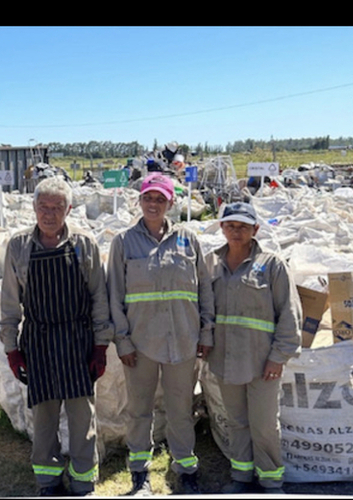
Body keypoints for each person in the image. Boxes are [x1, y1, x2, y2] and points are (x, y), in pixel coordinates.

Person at [0, 176, 113, 497]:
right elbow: (9, 304)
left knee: (81, 421)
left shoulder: (84, 245)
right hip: (39, 344)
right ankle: (49, 482)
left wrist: (101, 346)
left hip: (78, 343)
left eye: (57, 207)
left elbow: (99, 298)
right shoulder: (19, 247)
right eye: (43, 207)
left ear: (69, 209)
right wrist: (12, 349)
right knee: (44, 421)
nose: (49, 214)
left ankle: (82, 482)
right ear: (33, 207)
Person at [106, 173, 214, 496]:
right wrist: (122, 340)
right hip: (140, 345)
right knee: (139, 410)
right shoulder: (124, 242)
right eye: (148, 198)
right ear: (140, 201)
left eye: (160, 199)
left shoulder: (187, 240)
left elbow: (204, 289)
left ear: (170, 203)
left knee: (181, 409)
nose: (153, 204)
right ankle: (140, 473)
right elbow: (115, 296)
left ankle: (186, 470)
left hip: (182, 342)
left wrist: (206, 331)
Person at [205, 202, 302, 494]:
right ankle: (241, 477)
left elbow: (289, 314)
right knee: (236, 422)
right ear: (222, 228)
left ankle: (271, 481)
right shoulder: (210, 263)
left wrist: (278, 357)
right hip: (225, 359)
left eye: (243, 227)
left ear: (255, 230)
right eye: (231, 225)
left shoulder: (272, 265)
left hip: (262, 363)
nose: (236, 231)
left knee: (263, 425)